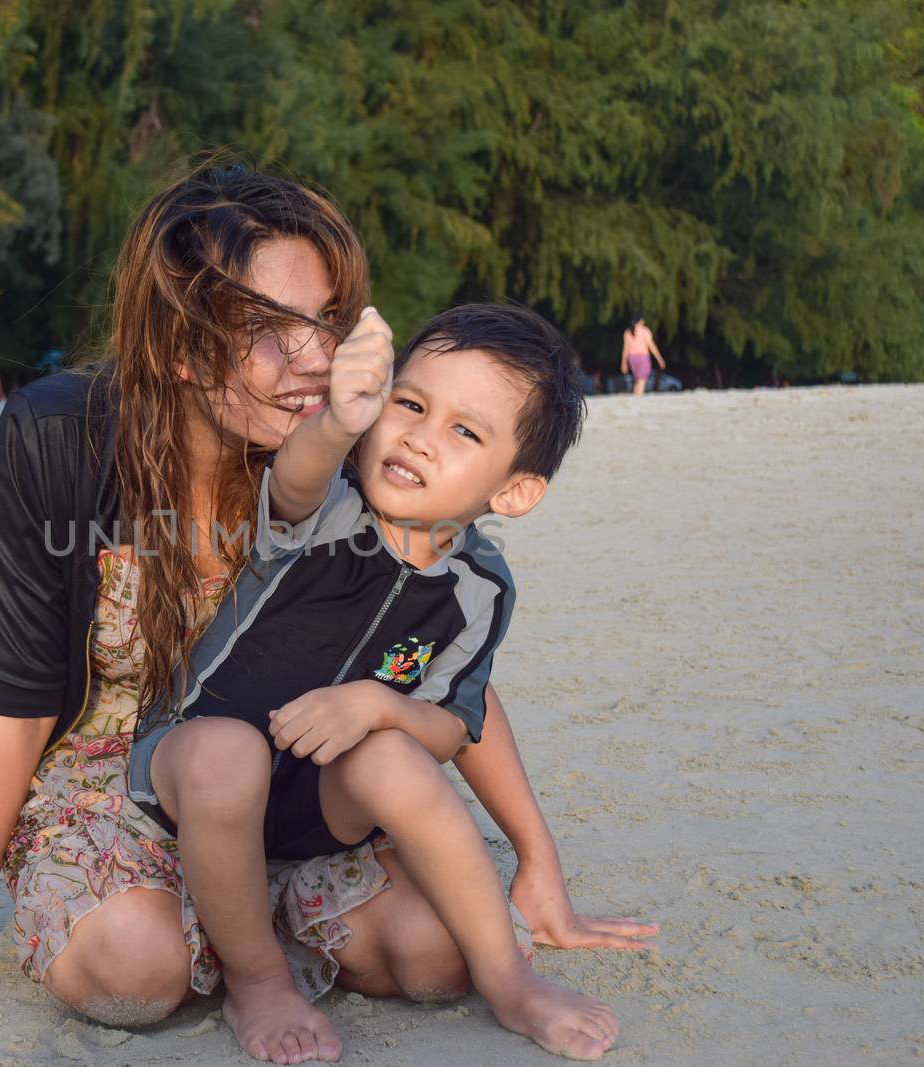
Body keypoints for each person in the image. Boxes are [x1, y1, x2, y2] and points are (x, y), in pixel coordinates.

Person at [0, 162, 655, 1062]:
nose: (315, 359)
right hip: (128, 787)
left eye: (324, 319)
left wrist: (537, 858)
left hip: (306, 785)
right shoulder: (59, 441)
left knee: (435, 960)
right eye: (268, 332)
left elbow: (436, 659)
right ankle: (240, 954)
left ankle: (262, 919)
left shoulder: (374, 444)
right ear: (179, 346)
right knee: (136, 970)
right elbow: (15, 709)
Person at [129, 303, 628, 1060]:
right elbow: (296, 474)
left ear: (515, 491)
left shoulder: (479, 586)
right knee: (227, 753)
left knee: (391, 750)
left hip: (321, 813)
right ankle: (259, 981)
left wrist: (376, 703)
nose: (421, 437)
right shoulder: (327, 506)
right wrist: (337, 418)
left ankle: (511, 979)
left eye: (465, 431)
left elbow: (453, 725)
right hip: (190, 777)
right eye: (411, 403)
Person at [619, 314, 665, 396]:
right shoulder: (644, 331)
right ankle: (638, 397)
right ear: (640, 321)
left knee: (637, 380)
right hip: (643, 357)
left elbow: (625, 350)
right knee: (641, 380)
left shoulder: (627, 332)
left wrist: (624, 363)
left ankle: (636, 395)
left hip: (632, 359)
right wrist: (659, 358)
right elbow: (651, 346)